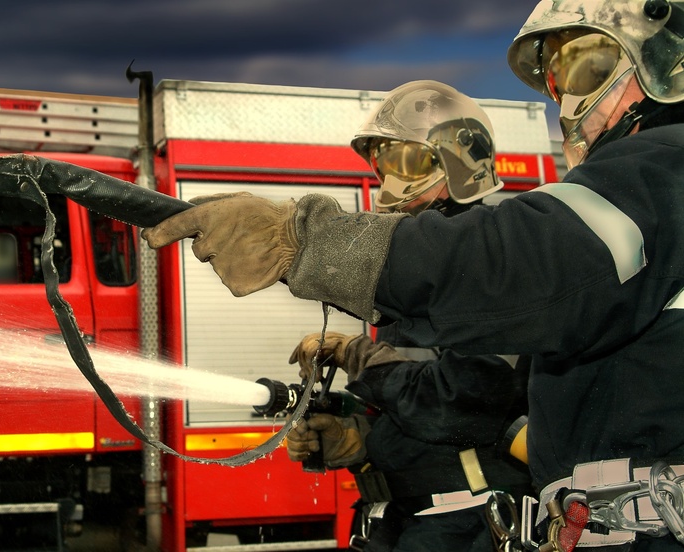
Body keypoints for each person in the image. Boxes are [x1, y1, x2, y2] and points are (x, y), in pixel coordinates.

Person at [142, 1, 684, 549]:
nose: (567, 102)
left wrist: (304, 246)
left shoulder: (660, 172)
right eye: (556, 79)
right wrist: (360, 439)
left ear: (667, 54)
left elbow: (466, 394)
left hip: (467, 519)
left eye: (584, 69)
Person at [282, 81, 532, 552]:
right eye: (384, 166)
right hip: (400, 518)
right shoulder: (414, 272)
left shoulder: (496, 262)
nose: (392, 186)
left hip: (468, 520)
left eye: (408, 163)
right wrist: (355, 439)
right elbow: (409, 403)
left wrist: (359, 356)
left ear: (460, 161)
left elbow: (461, 405)